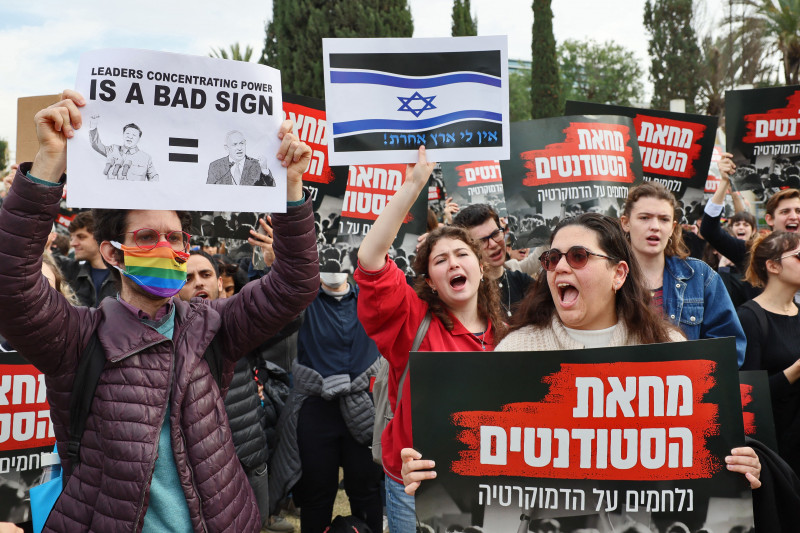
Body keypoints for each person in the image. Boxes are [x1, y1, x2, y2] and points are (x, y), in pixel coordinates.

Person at [0, 90, 318, 532]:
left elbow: (295, 283)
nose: (166, 248)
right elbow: (11, 286)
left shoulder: (215, 327)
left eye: (176, 238)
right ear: (113, 253)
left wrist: (291, 189)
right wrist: (49, 165)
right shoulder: (77, 340)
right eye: (148, 237)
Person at [400, 213, 761, 496]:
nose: (560, 267)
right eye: (552, 258)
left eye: (578, 256)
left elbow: (702, 455)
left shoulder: (671, 351)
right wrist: (435, 471)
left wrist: (738, 465)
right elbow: (480, 463)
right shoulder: (515, 351)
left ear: (618, 273)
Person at [355, 147, 505, 533]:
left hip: (488, 487)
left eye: (461, 254)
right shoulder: (412, 323)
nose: (453, 262)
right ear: (432, 283)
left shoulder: (509, 336)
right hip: (416, 489)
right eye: (440, 260)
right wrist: (412, 185)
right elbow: (370, 260)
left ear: (481, 267)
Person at [177, 250, 293, 533]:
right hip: (197, 466)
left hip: (248, 455)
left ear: (219, 282)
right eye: (187, 278)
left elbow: (287, 315)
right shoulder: (168, 336)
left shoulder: (239, 325)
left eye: (205, 274)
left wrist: (274, 266)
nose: (198, 282)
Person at [270, 271, 383, 533]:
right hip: (316, 410)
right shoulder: (303, 302)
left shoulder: (370, 298)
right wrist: (280, 269)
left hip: (363, 408)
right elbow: (275, 311)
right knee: (316, 494)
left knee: (366, 491)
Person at [620, 181, 746, 366]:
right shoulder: (606, 276)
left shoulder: (700, 276)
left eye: (664, 219)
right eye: (644, 217)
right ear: (625, 223)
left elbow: (730, 350)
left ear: (673, 227)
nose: (655, 226)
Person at [738, 231, 800, 477]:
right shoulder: (750, 318)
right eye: (798, 256)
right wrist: (794, 371)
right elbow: (748, 397)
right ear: (773, 266)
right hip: (775, 455)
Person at [452, 204, 533, 317]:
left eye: (495, 234)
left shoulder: (524, 282)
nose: (493, 244)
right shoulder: (465, 297)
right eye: (482, 241)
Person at [52, 211, 116, 307]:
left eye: (81, 237)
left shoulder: (125, 276)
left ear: (100, 238)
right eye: (72, 238)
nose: (73, 243)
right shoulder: (70, 269)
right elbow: (43, 258)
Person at [89, 115, 158, 181]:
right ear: (123, 134)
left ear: (139, 139)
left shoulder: (146, 158)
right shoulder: (113, 149)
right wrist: (93, 125)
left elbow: (154, 178)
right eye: (127, 133)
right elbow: (96, 145)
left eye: (134, 135)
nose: (130, 137)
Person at [207, 130, 275, 186]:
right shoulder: (215, 166)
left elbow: (271, 188)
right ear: (227, 148)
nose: (239, 148)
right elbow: (209, 191)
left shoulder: (257, 165)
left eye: (241, 143)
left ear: (245, 143)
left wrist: (264, 169)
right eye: (235, 144)